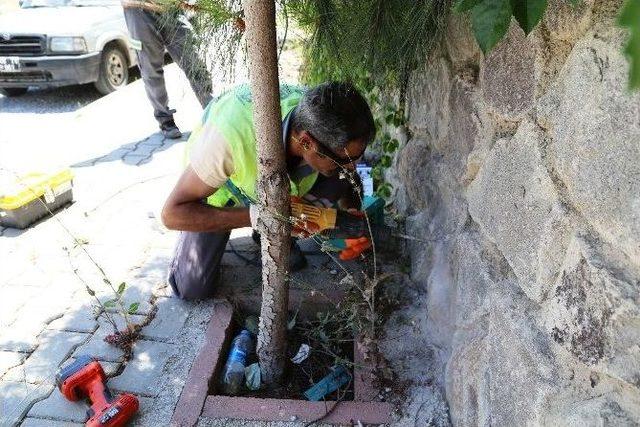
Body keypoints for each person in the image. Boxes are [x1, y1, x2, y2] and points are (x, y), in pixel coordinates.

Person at [161, 82, 375, 300]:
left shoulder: (325, 120)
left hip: (278, 187)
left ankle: (278, 230)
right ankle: (268, 225)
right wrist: (260, 217)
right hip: (221, 193)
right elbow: (171, 214)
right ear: (306, 142)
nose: (353, 167)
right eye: (345, 160)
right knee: (192, 287)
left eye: (356, 158)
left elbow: (352, 169)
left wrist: (351, 215)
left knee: (338, 176)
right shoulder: (229, 137)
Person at [121, 0, 213, 138]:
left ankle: (212, 110)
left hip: (171, 7)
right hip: (138, 9)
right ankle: (165, 119)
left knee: (192, 60)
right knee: (151, 69)